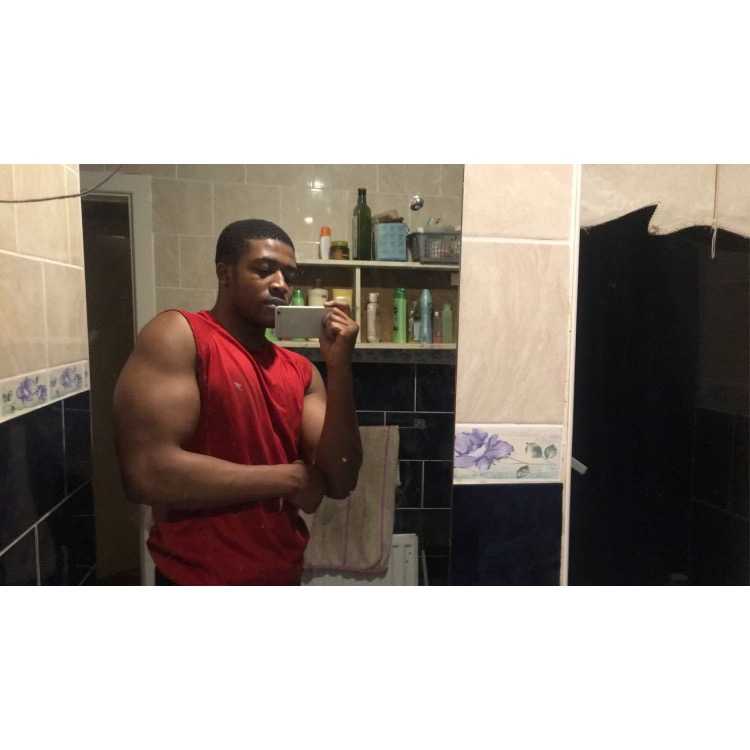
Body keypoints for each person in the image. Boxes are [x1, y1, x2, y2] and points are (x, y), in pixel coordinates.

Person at [113, 219, 363, 585]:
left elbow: (340, 480)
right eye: (264, 270)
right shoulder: (179, 335)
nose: (280, 284)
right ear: (224, 273)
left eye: (288, 275)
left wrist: (339, 366)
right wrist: (288, 478)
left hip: (283, 578)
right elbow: (146, 473)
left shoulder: (301, 371)